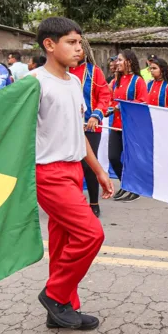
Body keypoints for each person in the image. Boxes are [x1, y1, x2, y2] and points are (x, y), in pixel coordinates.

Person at [32, 16, 112, 331]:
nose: (79, 49)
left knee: (63, 243)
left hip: (74, 169)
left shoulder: (75, 82)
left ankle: (62, 310)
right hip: (48, 173)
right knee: (92, 234)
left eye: (80, 42)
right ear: (49, 45)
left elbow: (78, 135)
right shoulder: (34, 83)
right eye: (71, 42)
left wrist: (99, 171)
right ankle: (54, 295)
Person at [68, 38, 112, 218]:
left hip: (90, 126)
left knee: (88, 165)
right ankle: (73, 202)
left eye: (80, 48)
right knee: (70, 165)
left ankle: (94, 202)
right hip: (67, 126)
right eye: (73, 47)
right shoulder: (61, 71)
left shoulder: (94, 72)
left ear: (86, 51)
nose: (77, 51)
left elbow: (104, 96)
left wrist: (96, 115)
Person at [108, 49, 148, 203]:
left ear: (129, 62)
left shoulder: (137, 80)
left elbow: (143, 102)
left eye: (119, 60)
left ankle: (134, 188)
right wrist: (110, 108)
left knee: (131, 159)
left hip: (132, 126)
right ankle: (125, 184)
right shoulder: (116, 81)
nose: (116, 63)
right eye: (116, 60)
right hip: (116, 125)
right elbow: (110, 99)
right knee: (113, 157)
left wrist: (122, 106)